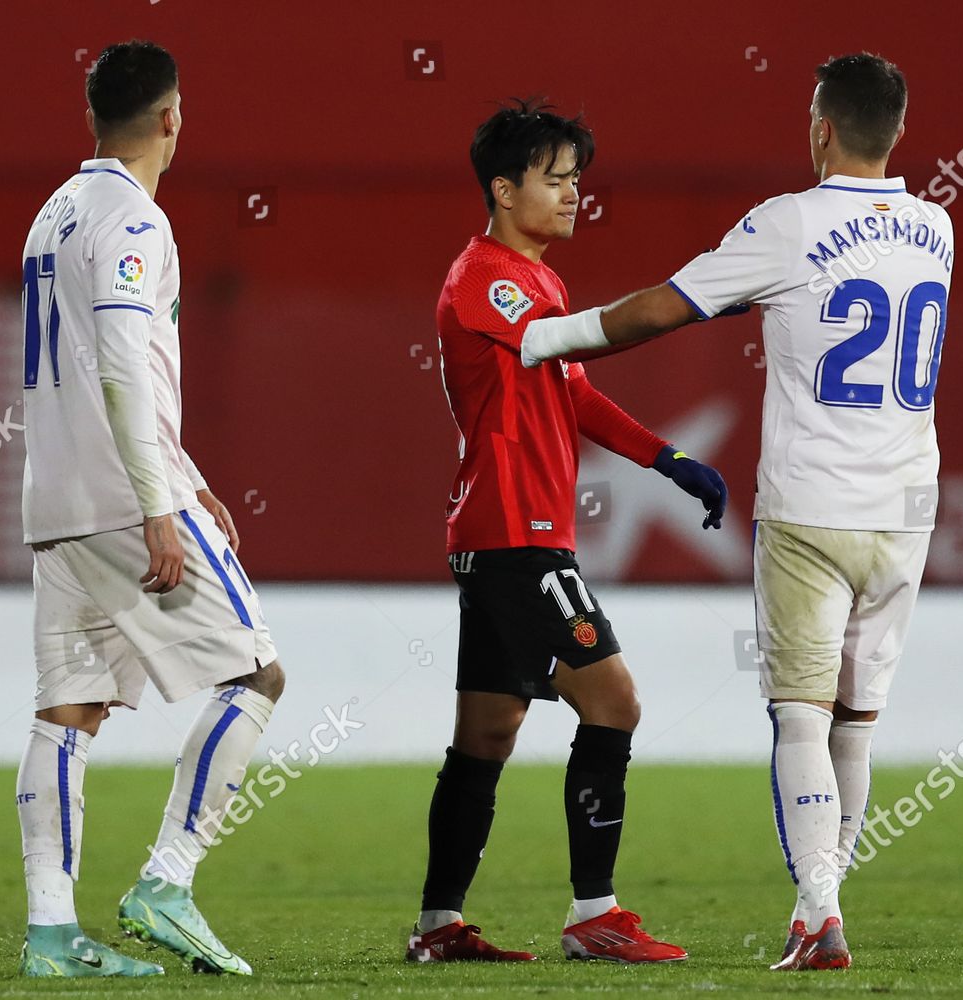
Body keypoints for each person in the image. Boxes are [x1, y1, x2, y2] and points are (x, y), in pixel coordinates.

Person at [521, 53, 949, 971]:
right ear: (900, 132)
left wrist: (546, 337)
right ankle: (823, 908)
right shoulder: (938, 228)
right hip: (908, 506)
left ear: (820, 128)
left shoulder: (788, 223)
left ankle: (818, 912)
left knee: (800, 715)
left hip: (812, 504)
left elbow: (656, 312)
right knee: (858, 721)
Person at [406, 99, 729, 965]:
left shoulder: (537, 279)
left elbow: (572, 392)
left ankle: (439, 926)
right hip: (520, 535)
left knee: (487, 734)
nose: (574, 194)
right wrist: (678, 305)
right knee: (616, 701)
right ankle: (595, 913)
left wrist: (668, 458)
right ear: (505, 190)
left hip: (506, 533)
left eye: (577, 179)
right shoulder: (485, 277)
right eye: (556, 179)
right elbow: (561, 344)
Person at [15, 40, 285, 977]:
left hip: (54, 502)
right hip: (123, 505)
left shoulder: (53, 214)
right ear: (171, 117)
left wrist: (185, 468)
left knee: (66, 714)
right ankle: (166, 881)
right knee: (257, 677)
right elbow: (126, 366)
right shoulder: (135, 221)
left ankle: (51, 933)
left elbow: (93, 376)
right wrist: (159, 502)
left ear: (95, 117)